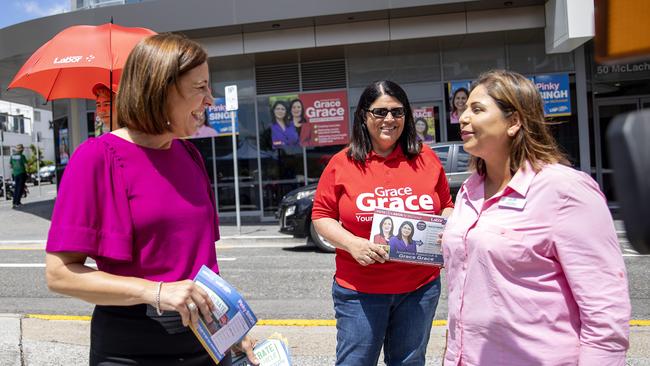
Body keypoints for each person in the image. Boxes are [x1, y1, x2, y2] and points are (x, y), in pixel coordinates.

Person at [45, 33, 258, 366]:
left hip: (205, 345)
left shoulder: (189, 154)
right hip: (131, 350)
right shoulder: (95, 158)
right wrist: (156, 291)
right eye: (200, 88)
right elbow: (60, 274)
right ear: (161, 89)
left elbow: (201, 266)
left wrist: (230, 327)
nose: (210, 101)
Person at [441, 70, 630, 365]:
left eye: (477, 109)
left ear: (514, 121)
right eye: (463, 109)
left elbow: (605, 312)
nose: (463, 117)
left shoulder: (564, 189)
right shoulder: (469, 190)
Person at [311, 80, 454, 366]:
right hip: (360, 291)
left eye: (397, 112)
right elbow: (321, 216)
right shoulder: (342, 163)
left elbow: (446, 206)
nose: (389, 119)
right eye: (380, 112)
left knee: (409, 362)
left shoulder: (426, 159)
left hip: (419, 289)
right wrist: (353, 244)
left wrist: (446, 228)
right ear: (364, 116)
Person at [9, 143, 27, 208]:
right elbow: (26, 165)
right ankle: (17, 203)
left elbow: (10, 166)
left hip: (15, 174)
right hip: (21, 173)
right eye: (22, 148)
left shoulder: (12, 156)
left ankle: (14, 203)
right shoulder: (22, 156)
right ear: (22, 149)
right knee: (20, 188)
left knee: (16, 188)